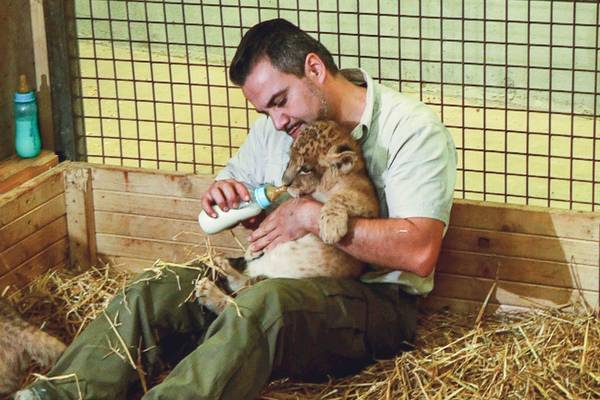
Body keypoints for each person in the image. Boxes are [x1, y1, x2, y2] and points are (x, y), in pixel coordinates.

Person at [16, 18, 456, 400]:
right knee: (159, 286)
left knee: (263, 306)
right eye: (265, 111)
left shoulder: (410, 130)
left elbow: (418, 253)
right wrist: (228, 194)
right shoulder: (283, 126)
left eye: (280, 101)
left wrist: (306, 216)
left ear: (315, 69)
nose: (277, 123)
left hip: (375, 303)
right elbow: (239, 184)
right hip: (269, 273)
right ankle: (58, 392)